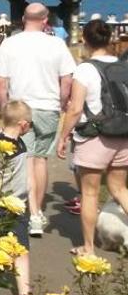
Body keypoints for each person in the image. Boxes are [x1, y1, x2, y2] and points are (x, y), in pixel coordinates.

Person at [0, 2, 76, 237]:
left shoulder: (10, 43)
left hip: (20, 107)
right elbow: (67, 80)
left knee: (22, 160)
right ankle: (36, 214)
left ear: (22, 18)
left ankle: (25, 209)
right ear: (46, 19)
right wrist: (60, 103)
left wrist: (3, 108)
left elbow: (0, 81)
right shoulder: (57, 44)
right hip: (47, 107)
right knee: (39, 160)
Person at [57, 19, 128, 255]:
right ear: (109, 40)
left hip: (95, 136)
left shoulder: (85, 69)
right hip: (123, 134)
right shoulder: (123, 66)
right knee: (119, 189)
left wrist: (63, 136)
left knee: (90, 193)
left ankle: (88, 247)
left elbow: (76, 108)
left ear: (84, 40)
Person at [0, 100, 42, 295]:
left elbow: (27, 180)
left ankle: (24, 293)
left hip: (18, 206)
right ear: (24, 124)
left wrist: (31, 208)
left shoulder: (20, 144)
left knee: (20, 247)